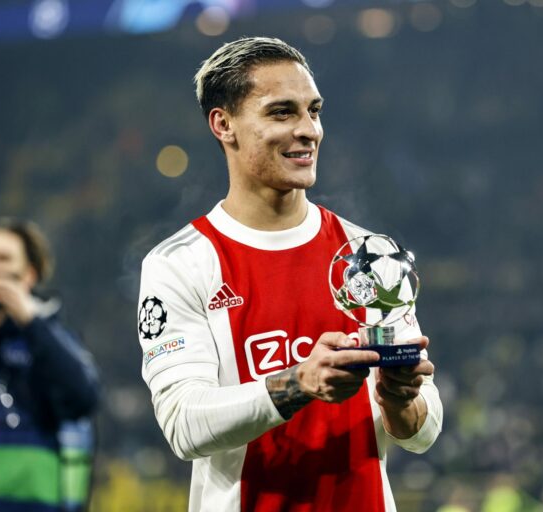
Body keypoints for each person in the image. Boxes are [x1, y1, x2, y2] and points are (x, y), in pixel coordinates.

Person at [137, 36, 443, 511]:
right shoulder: (179, 263)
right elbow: (184, 425)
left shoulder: (368, 254)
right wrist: (298, 382)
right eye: (282, 113)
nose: (309, 130)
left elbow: (423, 433)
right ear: (224, 124)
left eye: (313, 111)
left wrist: (401, 402)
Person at [0, 218, 99, 511]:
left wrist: (31, 321)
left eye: (3, 258)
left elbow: (83, 397)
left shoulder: (48, 340)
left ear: (28, 275)